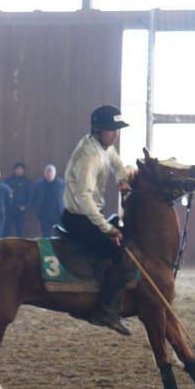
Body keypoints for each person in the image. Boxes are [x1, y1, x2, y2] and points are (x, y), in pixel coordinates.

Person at [62, 105, 137, 335]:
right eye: (110, 130)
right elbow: (84, 199)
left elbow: (116, 162)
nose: (115, 134)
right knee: (119, 254)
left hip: (90, 214)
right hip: (79, 218)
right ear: (97, 130)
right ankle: (104, 311)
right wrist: (107, 230)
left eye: (116, 130)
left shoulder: (104, 147)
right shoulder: (89, 156)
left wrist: (123, 179)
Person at [33, 162, 65, 237]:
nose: (49, 174)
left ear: (55, 173)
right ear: (44, 173)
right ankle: (46, 249)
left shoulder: (62, 184)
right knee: (45, 235)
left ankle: (59, 249)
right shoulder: (39, 184)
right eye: (47, 172)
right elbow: (34, 198)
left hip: (58, 214)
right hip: (44, 214)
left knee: (60, 235)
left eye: (51, 172)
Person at [3, 162, 32, 239]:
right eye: (17, 169)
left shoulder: (27, 182)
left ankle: (20, 248)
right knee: (6, 230)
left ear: (23, 170)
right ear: (14, 170)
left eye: (21, 169)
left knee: (20, 230)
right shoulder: (8, 181)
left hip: (21, 210)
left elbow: (30, 196)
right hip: (10, 209)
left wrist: (25, 206)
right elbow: (4, 195)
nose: (19, 171)